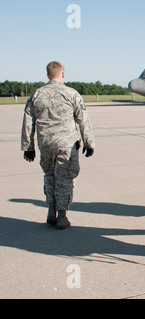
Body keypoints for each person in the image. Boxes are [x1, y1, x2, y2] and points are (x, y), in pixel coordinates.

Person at [21, 61, 95, 230]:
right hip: (66, 144)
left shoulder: (37, 94)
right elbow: (83, 120)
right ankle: (62, 215)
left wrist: (29, 146)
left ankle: (51, 209)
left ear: (48, 75)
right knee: (64, 178)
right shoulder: (72, 94)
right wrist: (89, 142)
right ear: (63, 74)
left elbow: (28, 122)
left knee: (49, 175)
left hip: (45, 144)